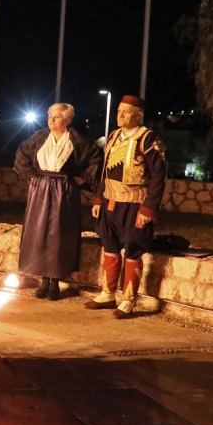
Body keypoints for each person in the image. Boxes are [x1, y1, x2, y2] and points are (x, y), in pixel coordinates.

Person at [84, 95, 166, 319]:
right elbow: (105, 170)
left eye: (126, 111)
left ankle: (129, 299)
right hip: (111, 200)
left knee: (132, 249)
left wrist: (148, 209)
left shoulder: (148, 139)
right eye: (119, 111)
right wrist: (99, 198)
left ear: (138, 115)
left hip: (134, 203)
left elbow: (158, 176)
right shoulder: (113, 136)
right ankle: (107, 293)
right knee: (109, 245)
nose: (120, 115)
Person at [14, 103, 101, 300]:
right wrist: (32, 176)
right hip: (41, 190)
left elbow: (95, 161)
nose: (51, 120)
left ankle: (55, 282)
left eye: (57, 117)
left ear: (68, 120)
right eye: (50, 116)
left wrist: (81, 179)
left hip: (64, 191)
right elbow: (21, 155)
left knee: (60, 235)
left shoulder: (78, 141)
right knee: (40, 232)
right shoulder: (38, 137)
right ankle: (43, 280)